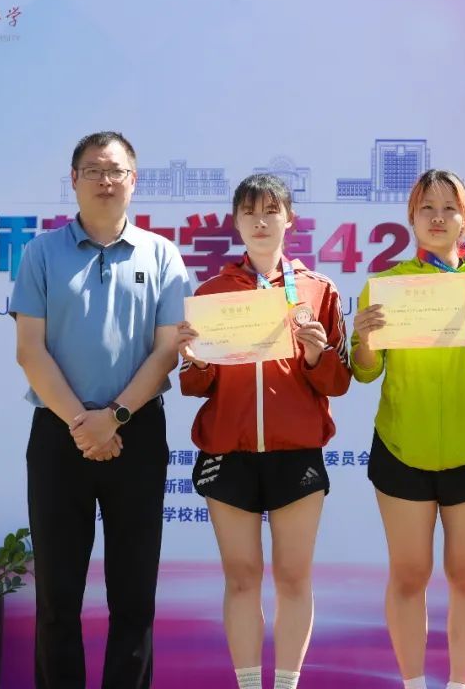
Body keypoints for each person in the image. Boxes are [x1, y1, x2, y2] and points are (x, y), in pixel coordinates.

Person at [10, 131, 191, 688]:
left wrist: (113, 417)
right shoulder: (41, 253)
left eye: (116, 171)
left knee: (134, 596)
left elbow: (167, 351)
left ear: (134, 181)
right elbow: (29, 350)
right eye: (93, 170)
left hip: (136, 433)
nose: (105, 181)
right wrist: (81, 423)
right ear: (74, 180)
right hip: (58, 434)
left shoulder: (161, 255)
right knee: (57, 597)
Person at [350, 169, 465, 689]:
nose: (438, 217)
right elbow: (365, 371)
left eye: (450, 208)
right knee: (409, 576)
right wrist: (365, 339)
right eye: (427, 207)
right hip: (401, 447)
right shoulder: (387, 285)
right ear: (411, 217)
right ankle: (413, 683)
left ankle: (459, 683)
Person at [178, 173, 351, 689]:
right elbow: (194, 385)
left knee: (294, 577)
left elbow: (339, 382)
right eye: (249, 212)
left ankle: (288, 684)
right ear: (235, 222)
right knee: (242, 578)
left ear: (289, 219)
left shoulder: (319, 290)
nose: (260, 221)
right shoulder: (211, 294)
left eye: (271, 211)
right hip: (227, 452)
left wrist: (316, 354)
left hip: (296, 453)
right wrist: (195, 360)